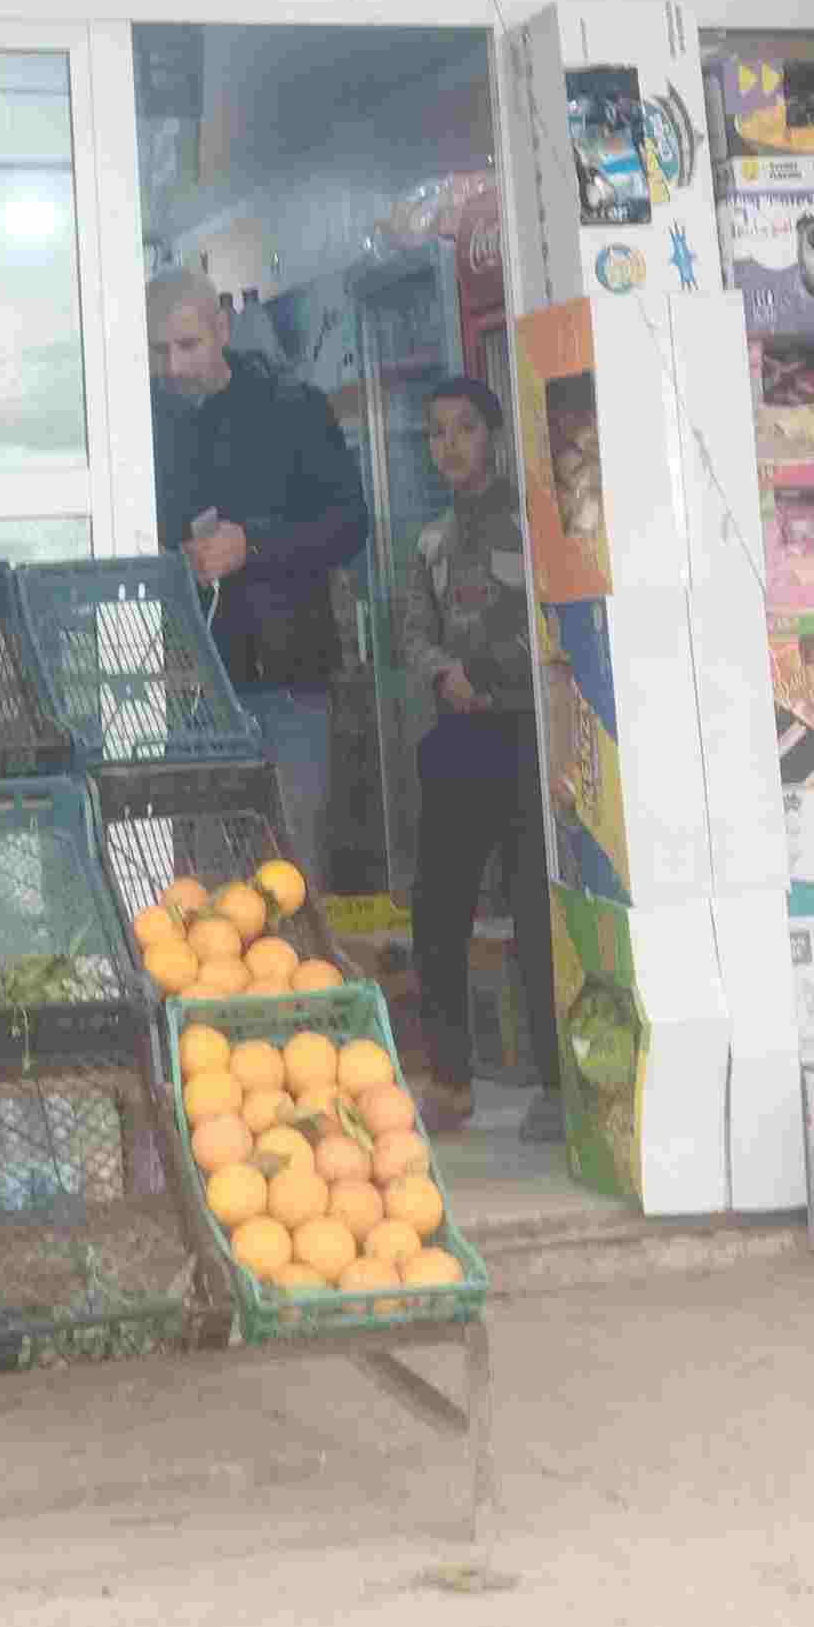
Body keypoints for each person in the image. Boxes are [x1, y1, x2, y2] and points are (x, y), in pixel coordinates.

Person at [147, 272, 368, 892]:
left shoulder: (292, 409)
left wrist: (253, 545)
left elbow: (350, 524)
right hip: (186, 690)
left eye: (187, 345)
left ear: (221, 329)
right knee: (203, 888)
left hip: (287, 681)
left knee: (287, 878)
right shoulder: (141, 425)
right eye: (159, 351)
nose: (174, 366)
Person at [402, 376, 562, 1143]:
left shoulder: (536, 527)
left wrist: (489, 675)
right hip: (458, 739)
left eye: (465, 428)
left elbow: (552, 620)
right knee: (438, 912)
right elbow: (413, 633)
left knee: (537, 911)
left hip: (528, 734)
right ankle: (450, 1085)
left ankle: (559, 1088)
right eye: (437, 433)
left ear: (494, 437)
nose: (451, 445)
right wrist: (444, 674)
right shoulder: (430, 541)